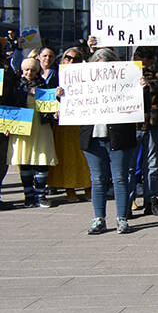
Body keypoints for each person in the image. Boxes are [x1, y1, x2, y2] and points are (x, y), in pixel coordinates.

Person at [80, 49, 138, 234]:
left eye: (106, 68)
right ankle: (99, 219)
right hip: (93, 138)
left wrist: (140, 88)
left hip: (119, 137)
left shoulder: (126, 84)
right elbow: (71, 102)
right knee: (97, 179)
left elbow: (137, 103)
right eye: (98, 68)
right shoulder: (85, 84)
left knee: (120, 178)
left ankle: (122, 218)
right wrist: (62, 95)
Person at [8, 58, 56, 206]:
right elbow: (10, 105)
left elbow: (51, 105)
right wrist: (8, 126)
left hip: (41, 127)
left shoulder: (43, 84)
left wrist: (57, 94)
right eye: (27, 70)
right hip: (22, 128)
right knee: (25, 162)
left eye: (33, 70)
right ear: (22, 70)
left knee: (42, 160)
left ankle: (40, 195)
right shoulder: (16, 86)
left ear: (37, 71)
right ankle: (28, 196)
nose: (29, 73)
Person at [46, 47, 90, 203]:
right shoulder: (56, 76)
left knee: (84, 155)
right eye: (68, 58)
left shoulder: (87, 75)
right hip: (64, 123)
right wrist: (55, 97)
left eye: (76, 59)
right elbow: (45, 97)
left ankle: (88, 187)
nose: (71, 61)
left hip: (83, 120)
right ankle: (69, 189)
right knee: (67, 157)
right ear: (63, 59)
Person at [130, 47, 158, 217]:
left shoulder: (157, 74)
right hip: (133, 126)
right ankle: (128, 201)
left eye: (148, 58)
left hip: (153, 125)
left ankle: (151, 200)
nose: (145, 61)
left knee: (152, 166)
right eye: (141, 57)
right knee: (130, 167)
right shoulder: (127, 74)